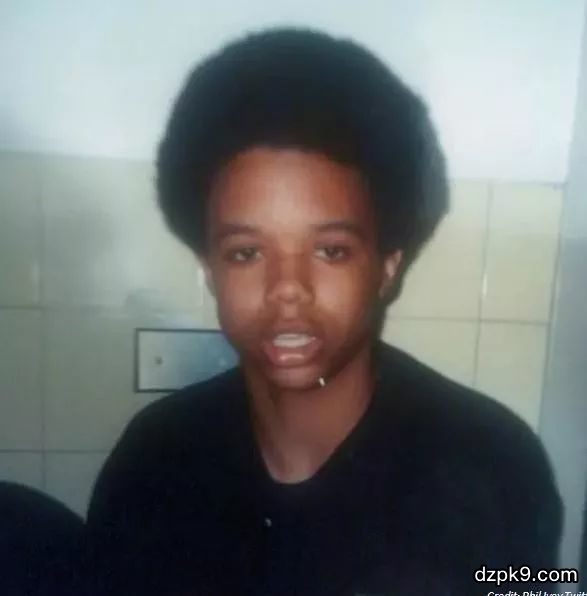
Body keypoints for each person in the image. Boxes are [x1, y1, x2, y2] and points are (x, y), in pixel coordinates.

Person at [84, 27, 562, 596]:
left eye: (331, 251)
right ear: (210, 269)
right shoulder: (154, 462)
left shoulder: (497, 465)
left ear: (387, 266)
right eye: (246, 253)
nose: (288, 289)